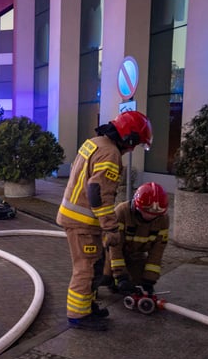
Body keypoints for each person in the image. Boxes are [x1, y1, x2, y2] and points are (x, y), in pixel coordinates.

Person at [56, 110, 153, 331]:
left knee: (95, 265)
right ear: (128, 137)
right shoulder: (111, 154)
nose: (132, 149)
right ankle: (78, 315)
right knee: (86, 269)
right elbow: (98, 193)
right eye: (135, 144)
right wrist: (111, 228)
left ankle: (87, 307)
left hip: (78, 218)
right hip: (83, 223)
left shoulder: (95, 142)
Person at [104, 182, 170, 296]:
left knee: (137, 284)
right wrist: (121, 276)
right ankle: (102, 282)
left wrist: (149, 280)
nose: (151, 216)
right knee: (104, 276)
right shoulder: (122, 212)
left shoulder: (163, 219)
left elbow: (157, 253)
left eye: (156, 214)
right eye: (147, 212)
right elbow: (115, 248)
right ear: (137, 206)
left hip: (135, 254)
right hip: (109, 251)